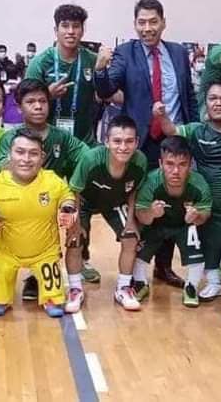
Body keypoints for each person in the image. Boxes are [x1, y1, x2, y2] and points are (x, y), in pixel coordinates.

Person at [94, 0, 199, 288]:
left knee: (172, 203)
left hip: (173, 138)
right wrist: (100, 69)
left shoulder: (178, 53)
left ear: (163, 23)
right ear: (135, 24)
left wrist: (192, 130)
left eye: (153, 22)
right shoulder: (125, 53)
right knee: (141, 204)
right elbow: (107, 89)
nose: (147, 28)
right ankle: (137, 269)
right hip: (141, 141)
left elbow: (189, 96)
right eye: (142, 22)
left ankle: (163, 267)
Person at [0, 79, 89, 300]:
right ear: (19, 107)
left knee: (69, 223)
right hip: (16, 202)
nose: (38, 106)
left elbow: (87, 157)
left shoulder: (62, 137)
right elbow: (1, 168)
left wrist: (74, 185)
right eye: (31, 102)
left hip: (50, 204)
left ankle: (42, 278)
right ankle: (3, 279)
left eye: (42, 101)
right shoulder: (9, 138)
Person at [0, 129, 78, 317]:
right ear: (10, 154)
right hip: (6, 252)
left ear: (42, 157)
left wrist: (68, 208)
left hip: (45, 251)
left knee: (56, 305)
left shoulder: (52, 180)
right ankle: (2, 297)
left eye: (33, 153)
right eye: (20, 152)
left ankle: (50, 298)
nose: (26, 159)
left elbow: (67, 196)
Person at [157, 80, 221, 300]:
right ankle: (213, 282)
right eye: (213, 98)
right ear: (206, 102)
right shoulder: (197, 130)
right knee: (209, 243)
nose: (218, 103)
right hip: (210, 205)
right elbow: (172, 131)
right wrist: (162, 116)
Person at [64, 115, 148, 312]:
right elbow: (74, 190)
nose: (123, 147)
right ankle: (75, 289)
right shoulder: (90, 159)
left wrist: (130, 221)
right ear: (106, 141)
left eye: (129, 141)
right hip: (84, 201)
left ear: (136, 142)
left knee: (131, 238)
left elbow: (134, 191)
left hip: (115, 202)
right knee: (75, 240)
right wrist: (75, 225)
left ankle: (123, 288)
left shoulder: (140, 161)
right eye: (117, 141)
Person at [133, 136, 212, 308]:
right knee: (138, 241)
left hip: (184, 226)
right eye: (170, 164)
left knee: (194, 236)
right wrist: (151, 213)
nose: (176, 171)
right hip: (157, 225)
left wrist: (196, 217)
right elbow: (140, 215)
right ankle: (139, 282)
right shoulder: (151, 182)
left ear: (190, 164)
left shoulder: (199, 183)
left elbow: (205, 214)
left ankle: (191, 286)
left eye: (182, 164)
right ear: (160, 164)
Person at [25, 4, 99, 146]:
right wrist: (47, 95)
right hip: (45, 142)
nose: (70, 31)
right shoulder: (40, 62)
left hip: (84, 142)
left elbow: (108, 94)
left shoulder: (93, 60)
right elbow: (25, 104)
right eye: (65, 26)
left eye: (76, 26)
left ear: (83, 30)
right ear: (56, 30)